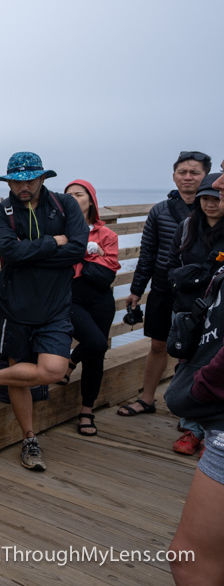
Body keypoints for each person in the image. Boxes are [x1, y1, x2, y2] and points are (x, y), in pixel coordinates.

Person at [0, 151, 87, 471]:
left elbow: (78, 249)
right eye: (16, 181)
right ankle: (29, 438)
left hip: (55, 307)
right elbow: (10, 252)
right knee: (20, 376)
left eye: (30, 180)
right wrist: (54, 242)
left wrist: (32, 253)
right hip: (16, 306)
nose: (23, 186)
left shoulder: (64, 205)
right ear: (8, 181)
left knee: (53, 370)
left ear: (43, 178)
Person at [118, 151, 211, 418]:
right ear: (174, 176)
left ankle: (191, 409)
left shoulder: (212, 206)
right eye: (182, 172)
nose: (188, 177)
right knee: (158, 345)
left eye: (195, 172)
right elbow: (147, 252)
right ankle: (147, 398)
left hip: (200, 292)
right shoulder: (160, 210)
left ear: (207, 177)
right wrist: (136, 289)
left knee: (197, 349)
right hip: (163, 287)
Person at [167, 169, 224, 583]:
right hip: (193, 320)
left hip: (214, 380)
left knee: (190, 558)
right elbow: (167, 260)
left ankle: (197, 428)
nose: (215, 190)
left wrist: (200, 386)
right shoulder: (185, 225)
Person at [58, 180, 120, 436]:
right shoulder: (59, 230)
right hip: (70, 296)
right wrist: (87, 250)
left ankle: (87, 410)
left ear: (91, 200)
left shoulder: (107, 235)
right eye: (68, 195)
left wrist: (85, 251)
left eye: (78, 194)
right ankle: (72, 360)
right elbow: (53, 256)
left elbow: (111, 267)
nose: (73, 198)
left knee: (96, 355)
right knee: (96, 342)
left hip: (100, 297)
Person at [168, 172, 224, 455]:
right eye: (205, 198)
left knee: (213, 366)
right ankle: (191, 427)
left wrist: (191, 276)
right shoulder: (188, 226)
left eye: (216, 198)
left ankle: (212, 433)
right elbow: (170, 263)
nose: (211, 203)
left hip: (217, 312)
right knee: (186, 363)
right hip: (188, 309)